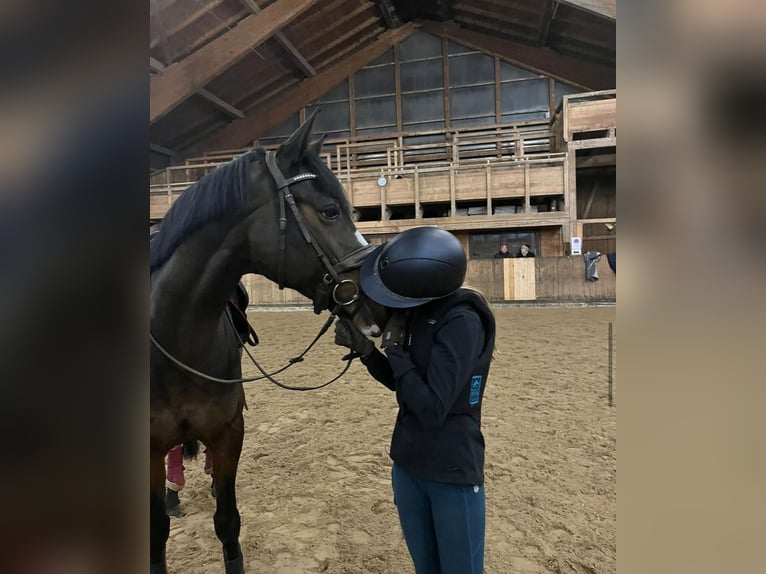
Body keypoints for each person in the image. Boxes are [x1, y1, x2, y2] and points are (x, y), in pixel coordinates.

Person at [335, 226, 496, 574]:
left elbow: (431, 406)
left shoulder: (462, 321)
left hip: (450, 470)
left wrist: (394, 350)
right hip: (408, 465)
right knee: (426, 567)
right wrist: (366, 351)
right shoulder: (418, 312)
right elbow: (404, 385)